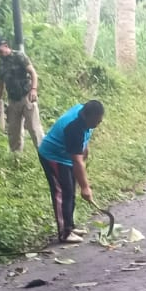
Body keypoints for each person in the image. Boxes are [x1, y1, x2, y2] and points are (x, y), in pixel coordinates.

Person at [37, 100, 105, 244]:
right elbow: (77, 162)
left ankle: (70, 226)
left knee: (70, 191)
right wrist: (85, 187)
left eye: (100, 120)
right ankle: (64, 233)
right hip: (53, 156)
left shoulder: (84, 112)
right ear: (87, 116)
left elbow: (84, 137)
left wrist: (85, 147)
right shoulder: (73, 128)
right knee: (62, 193)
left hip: (66, 155)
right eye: (96, 121)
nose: (99, 123)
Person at [0, 36, 43, 153]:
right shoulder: (1, 64)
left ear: (5, 45)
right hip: (12, 101)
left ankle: (45, 154)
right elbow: (0, 85)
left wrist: (34, 89)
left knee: (34, 129)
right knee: (14, 132)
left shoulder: (19, 56)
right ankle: (16, 158)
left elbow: (33, 73)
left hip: (26, 97)